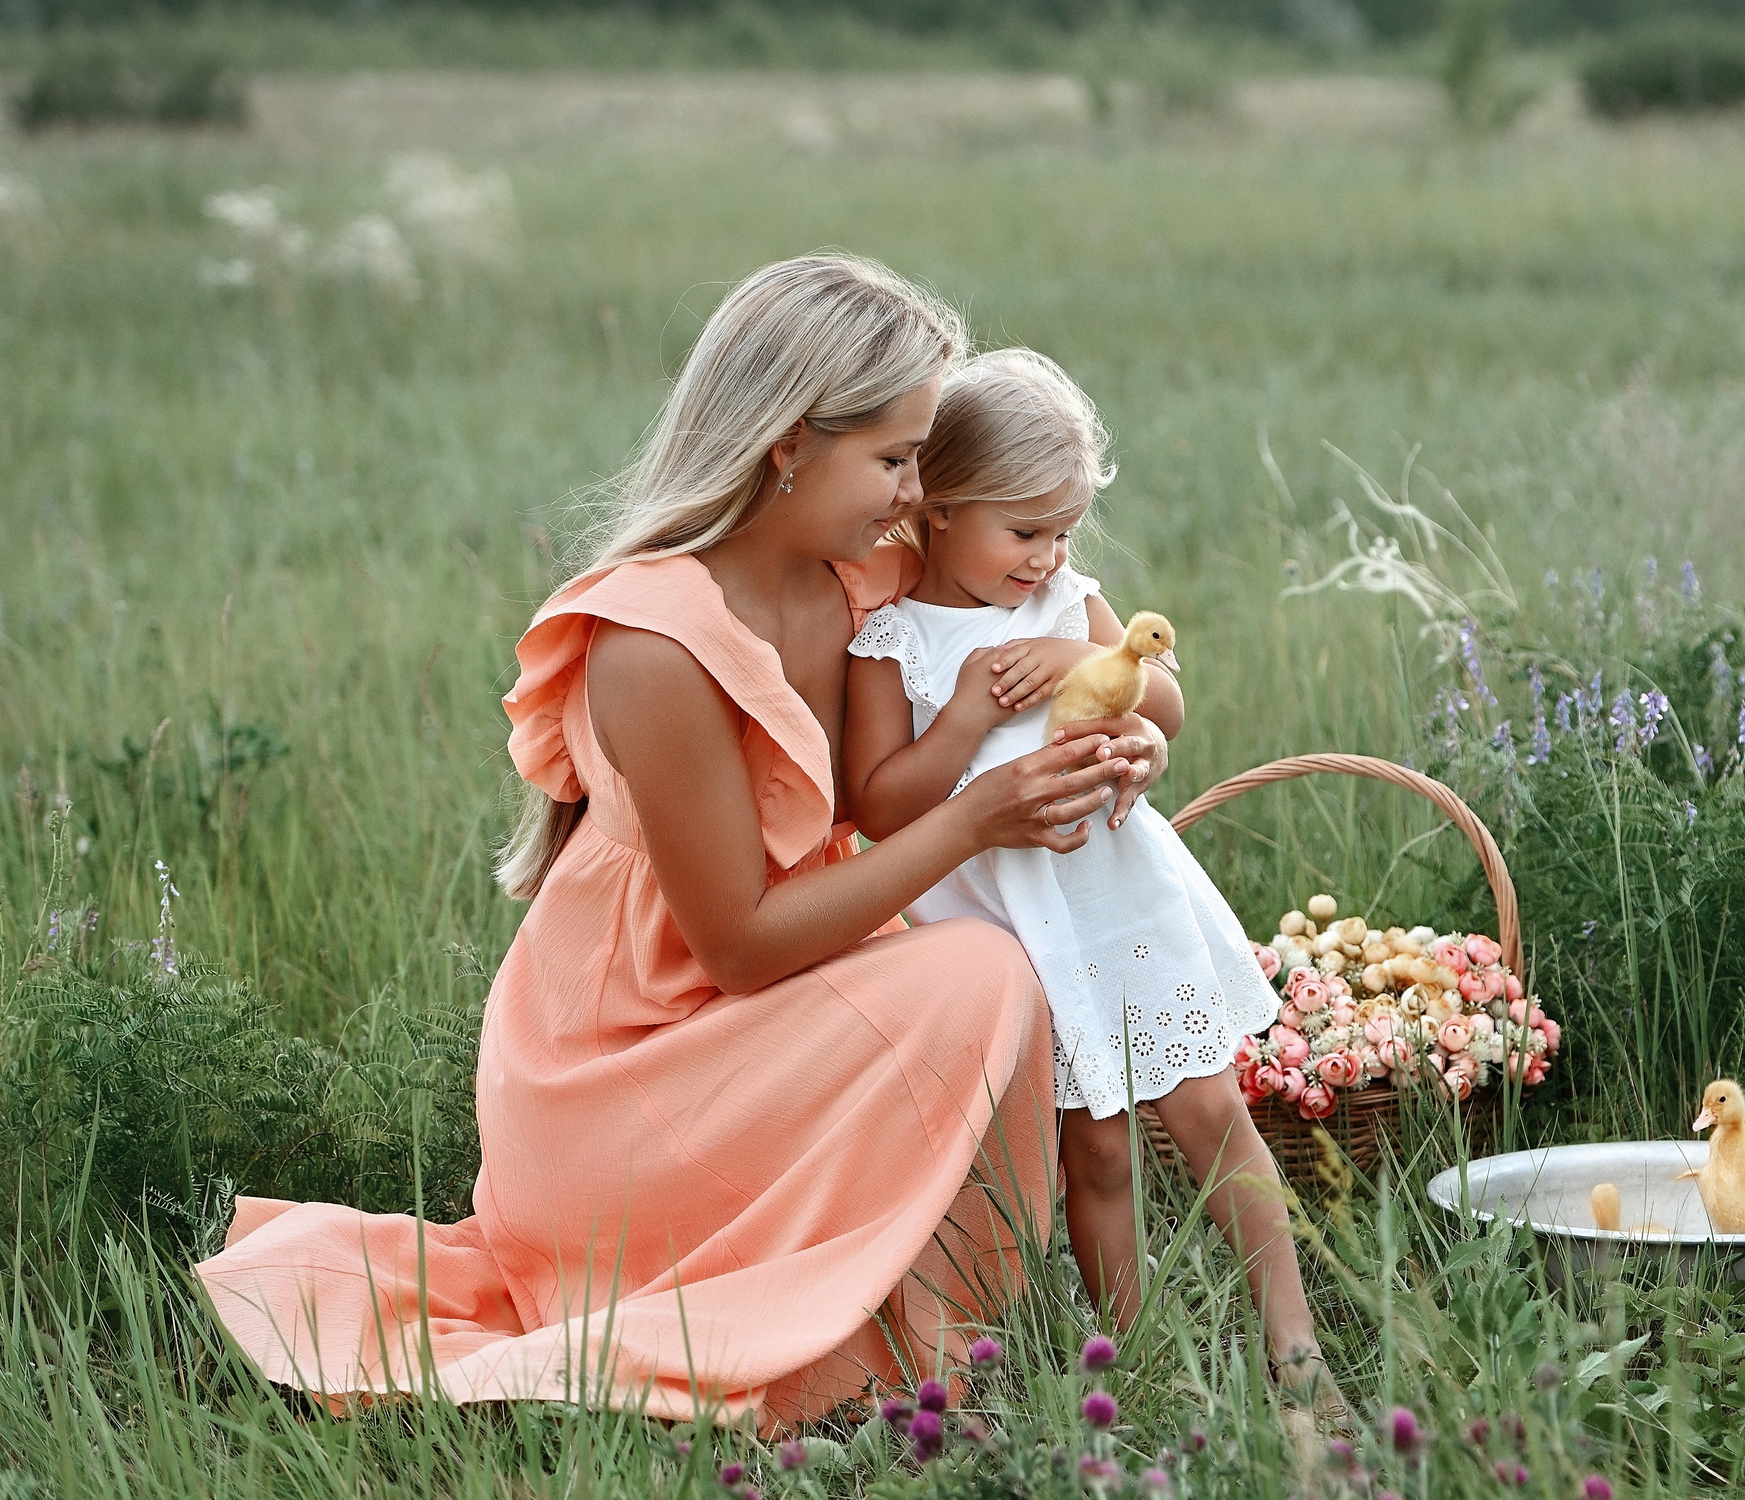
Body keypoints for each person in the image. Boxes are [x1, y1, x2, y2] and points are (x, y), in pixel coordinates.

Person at [196, 254, 1157, 1431]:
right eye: (896, 459)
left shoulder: (867, 576)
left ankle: (947, 1348)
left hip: (770, 1013)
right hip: (629, 1072)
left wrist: (1121, 730)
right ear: (789, 444)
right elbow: (740, 947)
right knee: (979, 971)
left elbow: (1067, 628)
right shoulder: (654, 643)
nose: (917, 493)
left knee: (998, 973)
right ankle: (897, 1352)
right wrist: (974, 819)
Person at [842, 347, 1330, 1396]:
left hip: (1121, 903)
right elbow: (878, 805)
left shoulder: (1069, 601)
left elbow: (1166, 706)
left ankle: (1295, 1346)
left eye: (1064, 530)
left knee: (1212, 1114)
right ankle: (1136, 1364)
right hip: (1013, 935)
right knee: (1096, 1152)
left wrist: (1103, 687)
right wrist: (965, 713)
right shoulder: (893, 641)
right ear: (937, 505)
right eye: (1024, 531)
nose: (1048, 555)